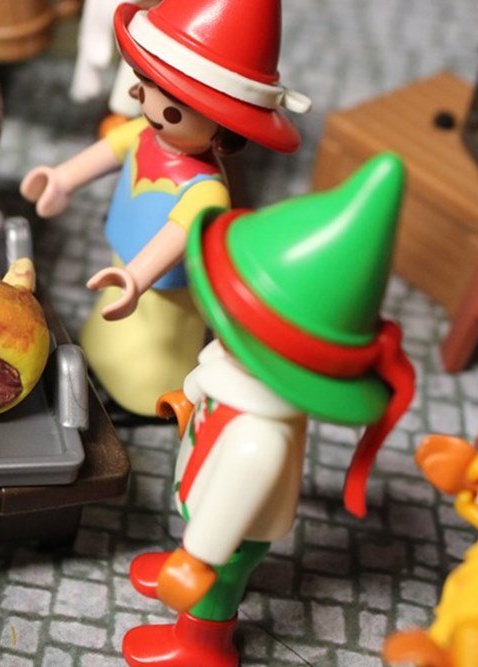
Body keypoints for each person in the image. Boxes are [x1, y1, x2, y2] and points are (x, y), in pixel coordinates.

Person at [123, 154, 416, 667]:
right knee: (198, 521)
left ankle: (201, 644)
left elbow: (232, 502)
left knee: (218, 584)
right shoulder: (235, 366)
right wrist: (190, 395)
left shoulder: (259, 437)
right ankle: (184, 555)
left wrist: (199, 557)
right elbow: (214, 370)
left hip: (230, 531)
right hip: (203, 487)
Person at [21, 0, 310, 415]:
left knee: (154, 344)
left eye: (174, 108)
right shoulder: (143, 133)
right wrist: (61, 178)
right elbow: (108, 150)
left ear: (224, 127)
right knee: (109, 326)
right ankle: (102, 352)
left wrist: (137, 277)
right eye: (144, 85)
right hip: (123, 260)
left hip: (164, 288)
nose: (151, 107)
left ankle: (148, 391)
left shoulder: (206, 189)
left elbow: (178, 231)